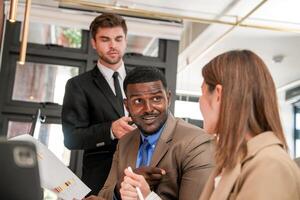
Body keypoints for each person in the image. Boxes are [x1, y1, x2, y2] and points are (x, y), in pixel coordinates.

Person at [121, 50, 300, 200]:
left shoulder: (270, 165)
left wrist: (148, 197)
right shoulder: (235, 160)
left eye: (203, 93)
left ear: (218, 95)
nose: (200, 102)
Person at [86, 67, 214, 200]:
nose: (148, 109)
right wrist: (121, 187)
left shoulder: (197, 143)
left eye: (156, 98)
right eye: (138, 101)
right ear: (127, 105)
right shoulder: (125, 142)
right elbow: (104, 194)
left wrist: (147, 197)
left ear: (168, 99)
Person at [62, 13, 135, 195]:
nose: (113, 46)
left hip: (140, 176)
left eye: (118, 39)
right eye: (105, 39)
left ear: (125, 41)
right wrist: (110, 130)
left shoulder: (141, 80)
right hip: (100, 180)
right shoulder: (78, 85)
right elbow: (71, 138)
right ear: (94, 43)